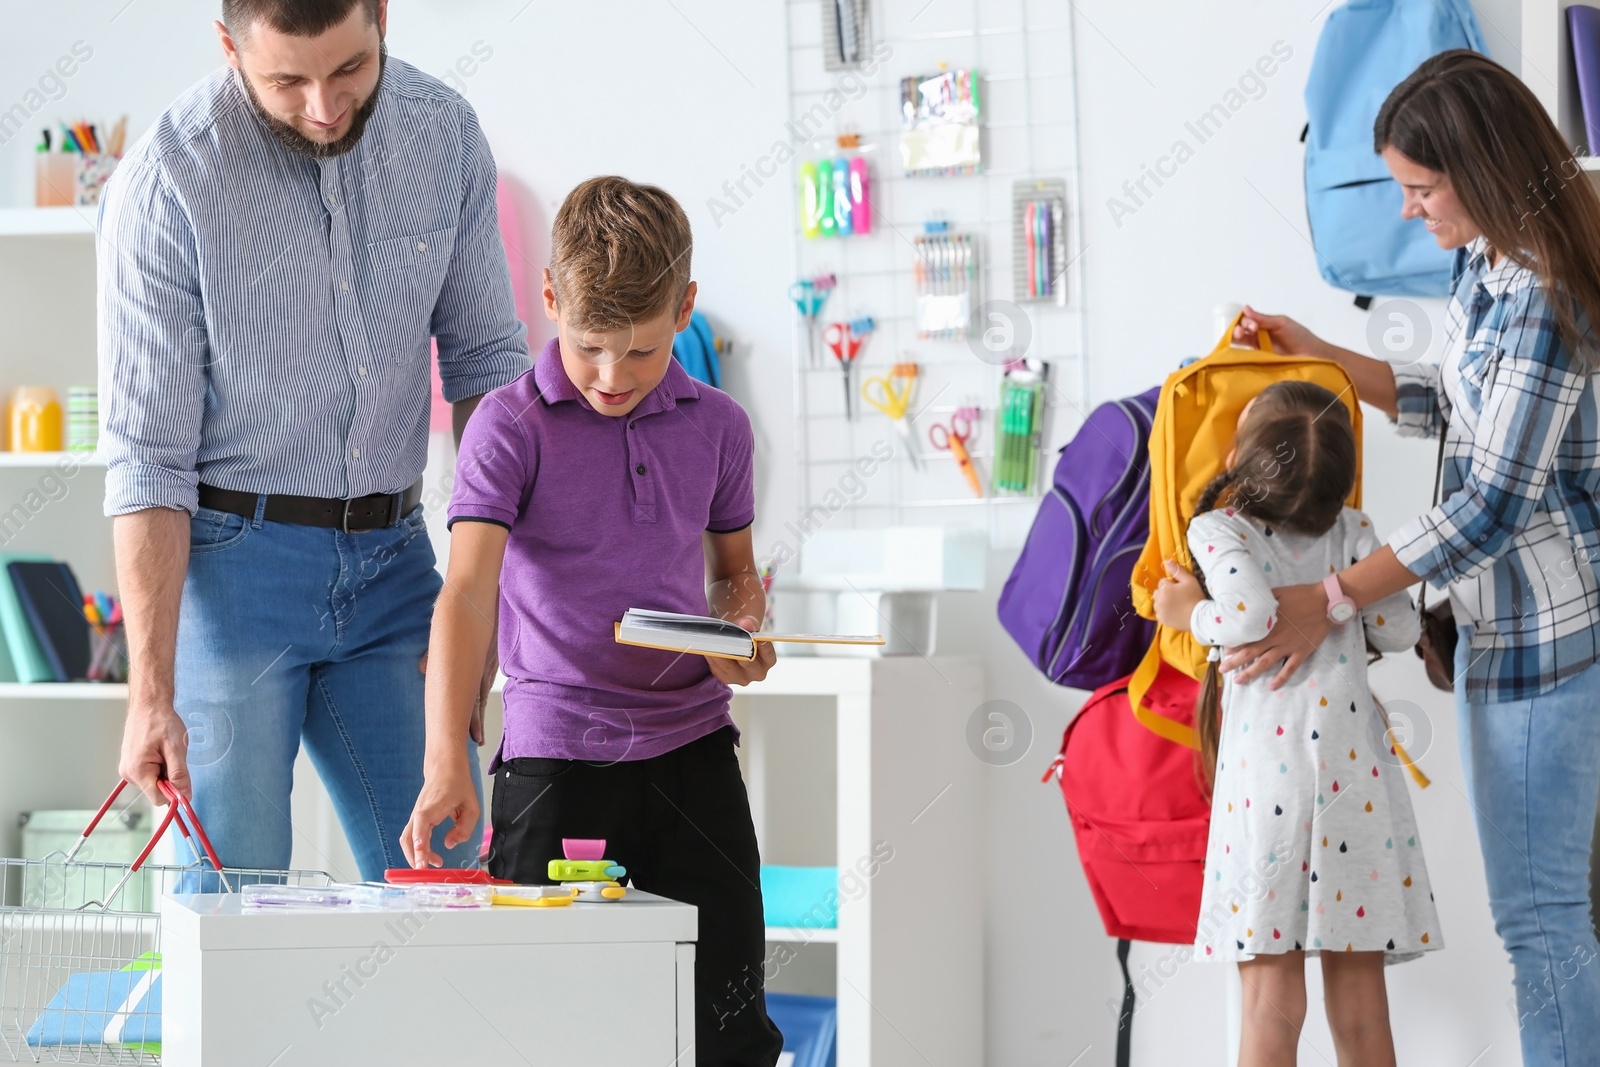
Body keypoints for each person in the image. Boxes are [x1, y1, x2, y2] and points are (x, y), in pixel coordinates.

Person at [1226, 50, 1600, 1065]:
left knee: (1541, 919)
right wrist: (1320, 353)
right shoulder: (1488, 265)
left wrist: (1330, 597)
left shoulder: (1544, 292)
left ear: (1476, 171)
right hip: (1496, 633)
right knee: (1542, 914)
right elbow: (1453, 405)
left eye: (1419, 188)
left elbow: (1489, 503)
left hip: (1545, 642)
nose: (1407, 211)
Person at [101, 0, 529, 880]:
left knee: (446, 882)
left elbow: (489, 363)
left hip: (396, 565)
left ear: (380, 17)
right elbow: (148, 457)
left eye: (348, 70)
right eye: (286, 81)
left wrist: (489, 593)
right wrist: (150, 692)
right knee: (232, 902)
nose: (325, 106)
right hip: (230, 575)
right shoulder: (166, 183)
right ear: (229, 48)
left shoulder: (443, 134)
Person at [400, 176, 784, 1067]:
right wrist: (443, 764)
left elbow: (733, 573)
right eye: (590, 347)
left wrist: (742, 633)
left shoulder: (720, 427)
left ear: (685, 308)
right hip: (555, 757)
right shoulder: (508, 425)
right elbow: (465, 592)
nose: (613, 377)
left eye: (643, 352)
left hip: (693, 749)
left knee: (727, 1026)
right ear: (549, 300)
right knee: (546, 1030)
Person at [1155, 381, 1438, 1067]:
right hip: (1357, 792)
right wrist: (1339, 606)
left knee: (1268, 999)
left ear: (1240, 460)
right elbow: (1399, 627)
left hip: (1267, 795)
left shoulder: (1223, 529)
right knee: (1362, 1002)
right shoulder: (1356, 532)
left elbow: (1247, 612)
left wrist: (1188, 610)